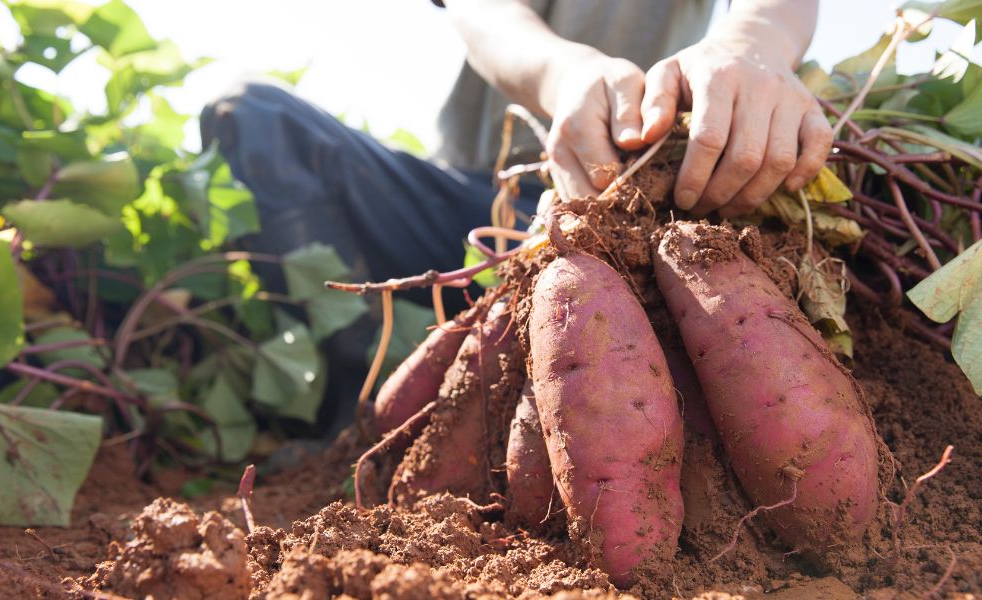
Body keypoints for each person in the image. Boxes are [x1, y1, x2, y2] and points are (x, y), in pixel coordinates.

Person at [201, 0, 830, 431]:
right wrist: (567, 75)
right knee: (251, 114)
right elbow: (486, 12)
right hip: (480, 205)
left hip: (634, 209)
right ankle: (358, 414)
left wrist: (751, 49)